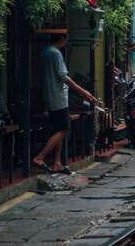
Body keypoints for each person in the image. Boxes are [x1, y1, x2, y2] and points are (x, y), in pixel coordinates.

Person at [33, 33, 96, 174]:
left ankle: (57, 163)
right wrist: (83, 92)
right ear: (62, 39)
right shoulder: (55, 54)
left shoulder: (45, 53)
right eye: (66, 38)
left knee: (58, 129)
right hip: (58, 98)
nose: (67, 41)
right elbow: (63, 77)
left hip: (49, 97)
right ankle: (40, 157)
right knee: (64, 129)